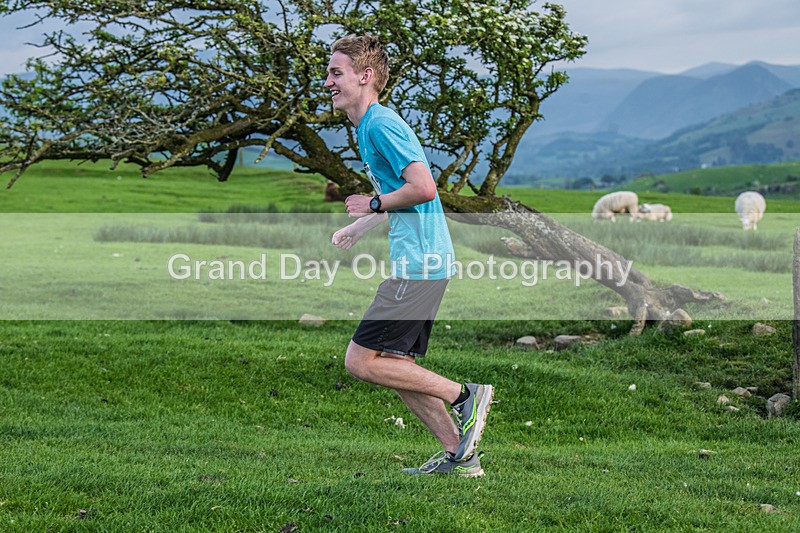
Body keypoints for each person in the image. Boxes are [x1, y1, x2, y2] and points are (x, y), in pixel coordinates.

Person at [326, 34, 494, 477]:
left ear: (365, 76)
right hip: (423, 259)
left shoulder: (380, 125)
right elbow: (400, 195)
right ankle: (461, 457)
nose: (328, 82)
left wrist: (372, 203)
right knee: (396, 365)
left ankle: (466, 396)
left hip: (420, 263)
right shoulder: (368, 127)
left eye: (336, 73)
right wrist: (360, 225)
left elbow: (423, 188)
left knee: (361, 362)